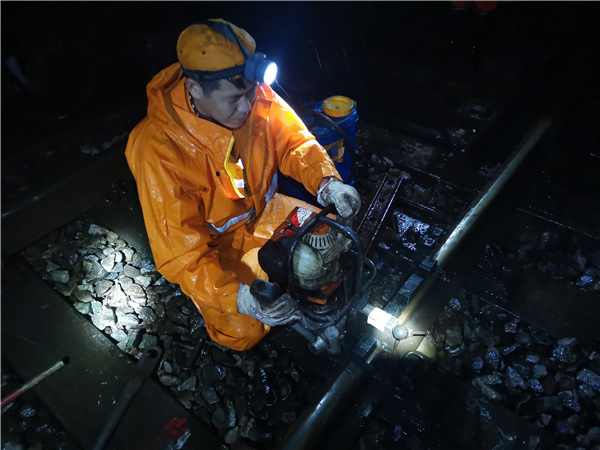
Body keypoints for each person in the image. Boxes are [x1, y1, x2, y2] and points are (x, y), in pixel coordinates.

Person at [125, 19, 360, 351]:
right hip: (215, 250)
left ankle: (291, 286)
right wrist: (239, 297)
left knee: (332, 238)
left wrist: (327, 183)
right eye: (234, 99)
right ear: (194, 89)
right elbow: (182, 254)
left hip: (265, 213)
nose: (246, 107)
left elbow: (293, 142)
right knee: (244, 329)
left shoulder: (252, 94)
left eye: (250, 94)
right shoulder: (157, 149)